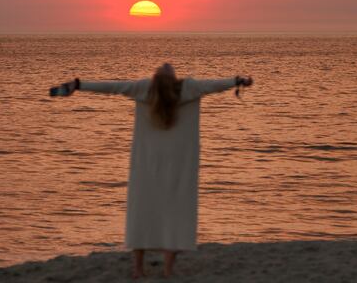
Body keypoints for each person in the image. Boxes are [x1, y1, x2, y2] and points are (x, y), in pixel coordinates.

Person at [53, 63, 253, 278]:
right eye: (166, 68)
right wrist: (236, 80)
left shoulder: (145, 89)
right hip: (179, 166)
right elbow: (214, 85)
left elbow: (113, 87)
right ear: (171, 78)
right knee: (174, 214)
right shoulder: (187, 88)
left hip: (146, 165)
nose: (167, 65)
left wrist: (80, 84)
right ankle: (166, 270)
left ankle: (139, 269)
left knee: (142, 215)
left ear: (155, 78)